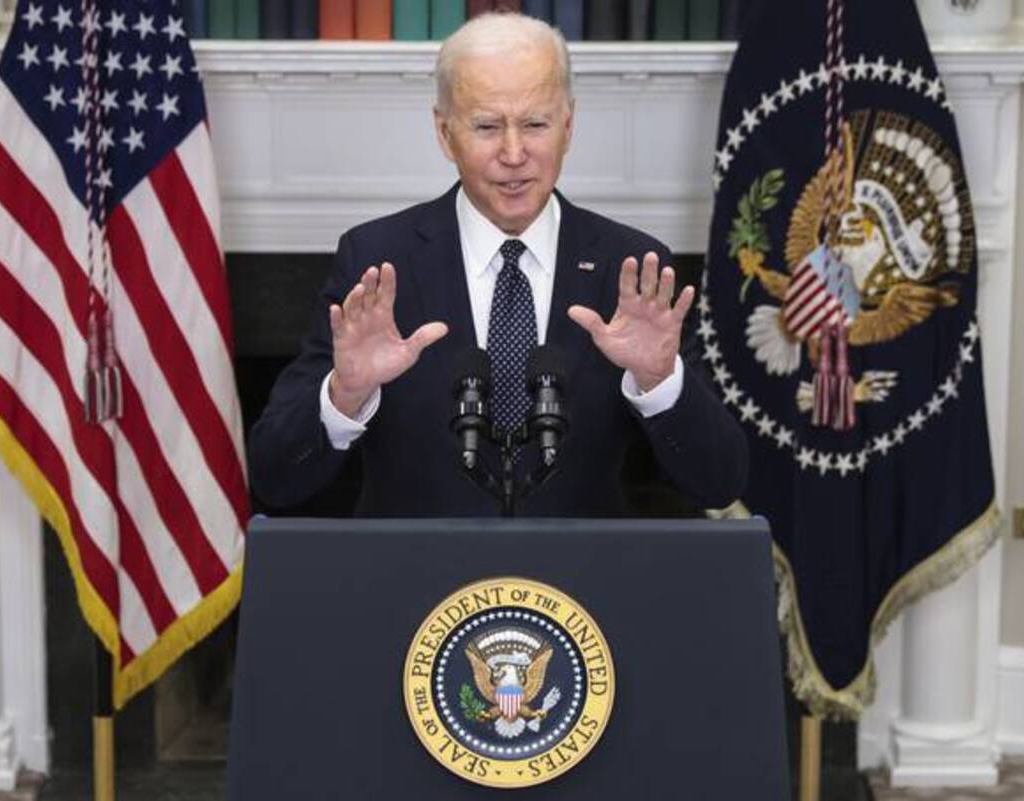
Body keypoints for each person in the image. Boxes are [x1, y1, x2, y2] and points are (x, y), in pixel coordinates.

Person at [249, 12, 747, 516]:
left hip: (580, 588)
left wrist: (661, 382)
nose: (515, 153)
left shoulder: (632, 269)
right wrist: (344, 396)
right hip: (419, 587)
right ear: (445, 134)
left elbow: (719, 482)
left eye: (535, 124)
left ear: (568, 127)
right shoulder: (377, 263)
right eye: (487, 126)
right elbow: (276, 478)